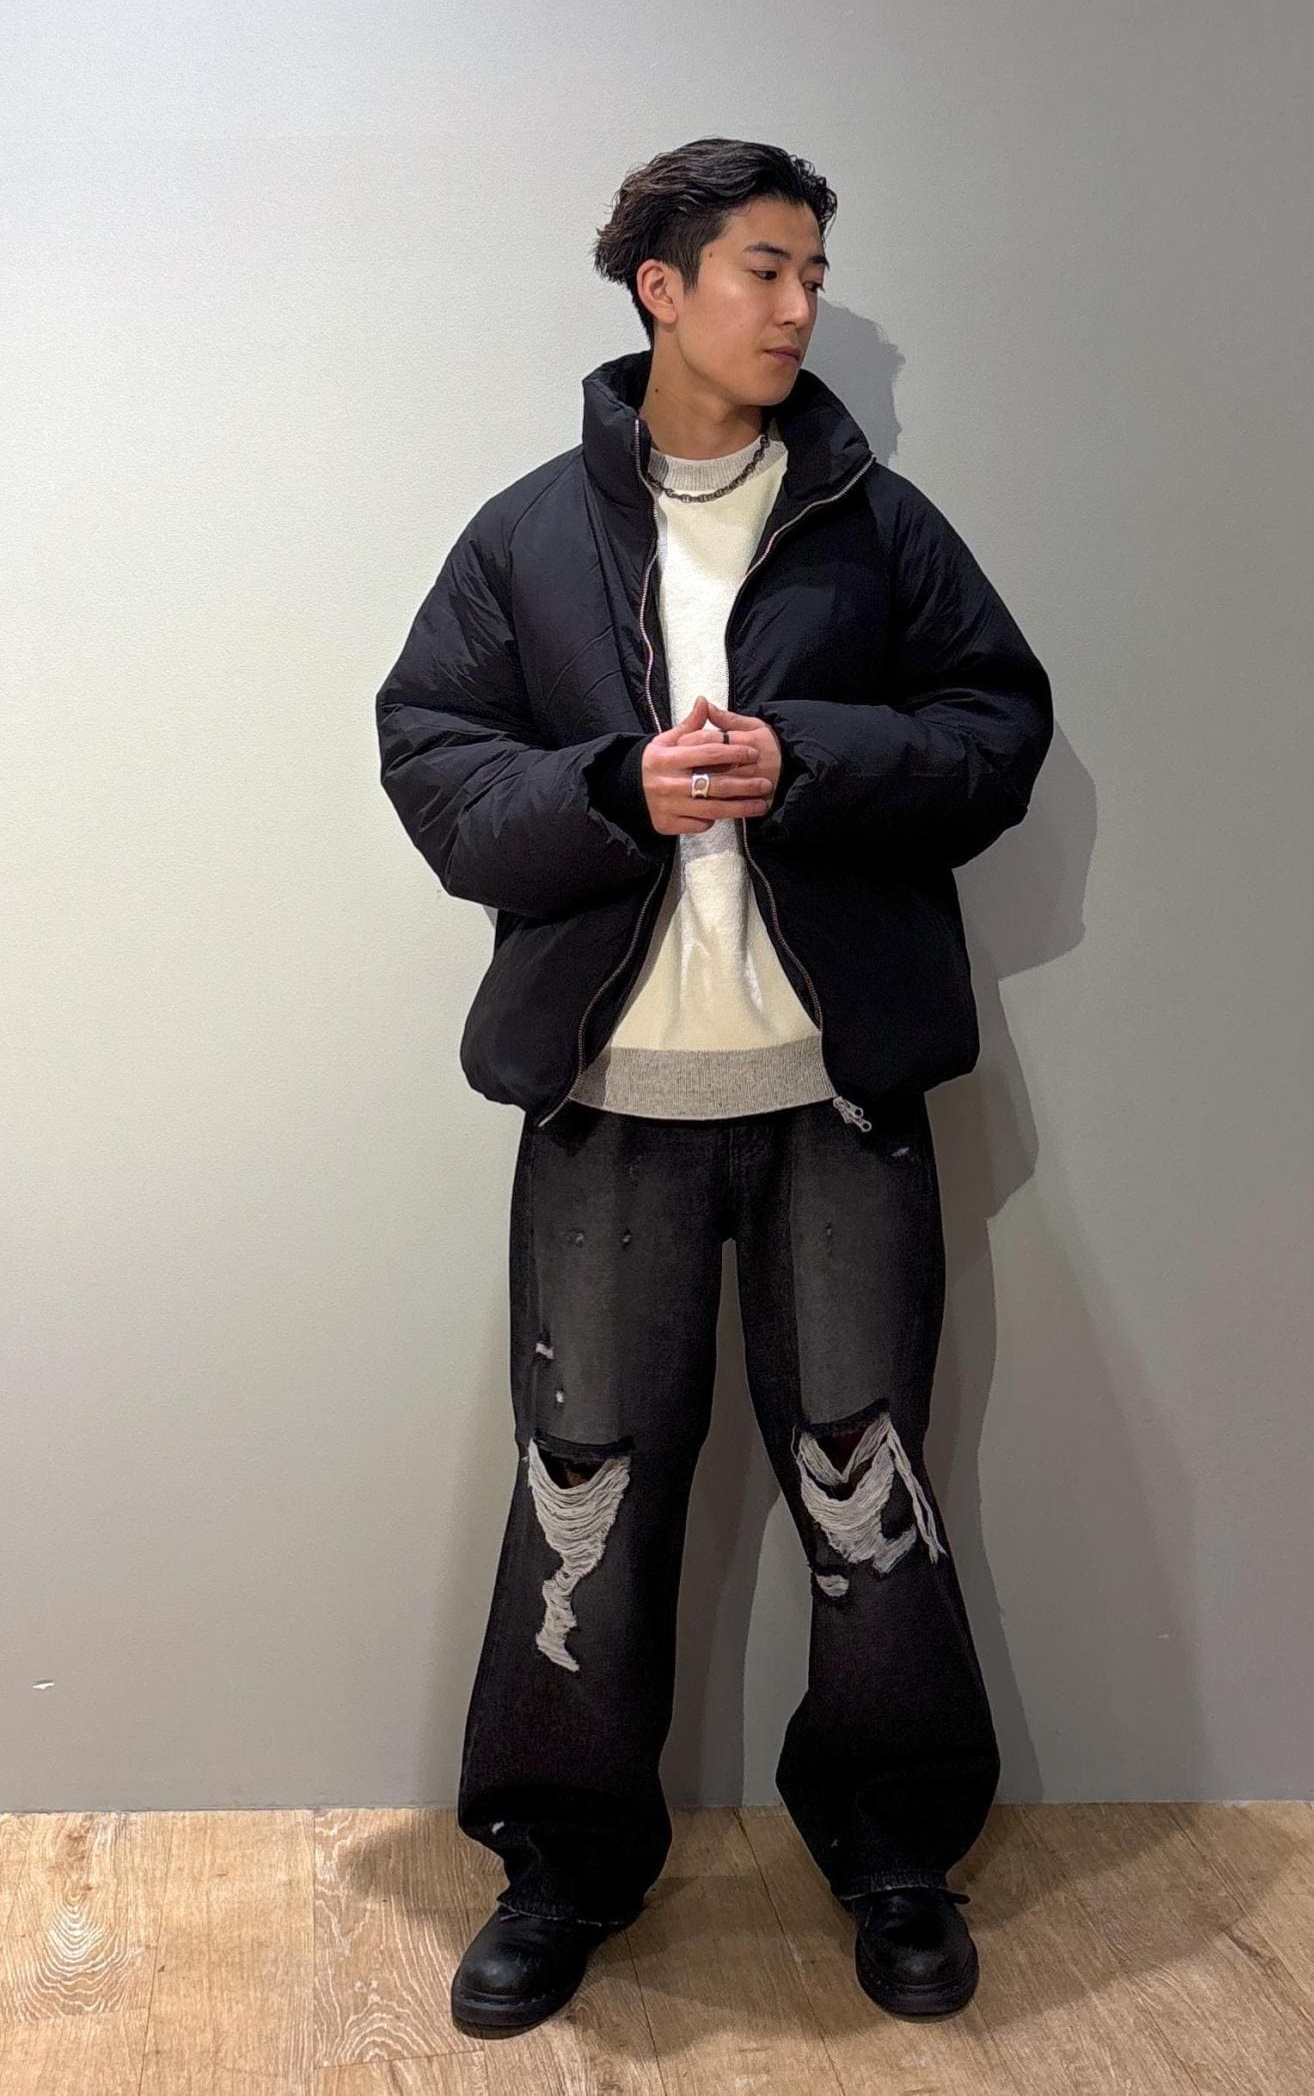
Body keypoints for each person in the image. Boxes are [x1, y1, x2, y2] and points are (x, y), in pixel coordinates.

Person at [374, 136, 1053, 2033]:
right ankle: (563, 1866)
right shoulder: (525, 536)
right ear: (661, 287)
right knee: (580, 1492)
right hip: (608, 1100)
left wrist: (805, 762)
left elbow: (998, 729)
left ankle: (897, 1852)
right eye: (767, 267)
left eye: (815, 271)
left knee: (869, 1485)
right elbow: (432, 761)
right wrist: (617, 788)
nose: (800, 304)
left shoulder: (874, 522)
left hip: (836, 1096)